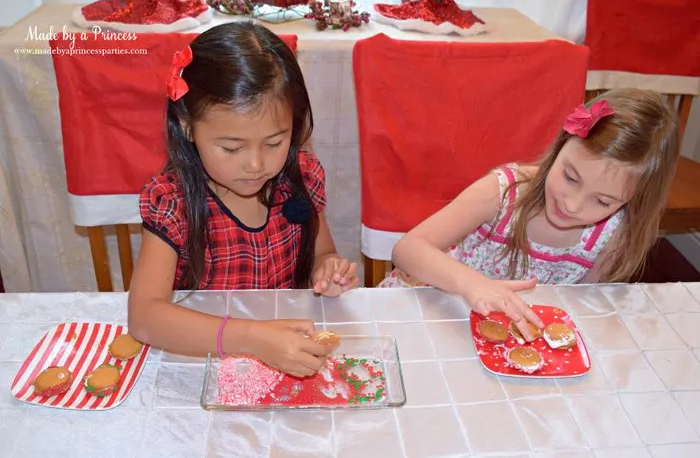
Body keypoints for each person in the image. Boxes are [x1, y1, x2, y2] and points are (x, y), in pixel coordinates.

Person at [128, 21, 358, 378]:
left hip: (288, 355)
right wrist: (252, 338)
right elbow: (144, 317)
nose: (255, 165)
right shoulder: (174, 202)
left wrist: (327, 270)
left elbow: (323, 252)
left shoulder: (300, 177)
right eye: (232, 147)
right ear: (188, 125)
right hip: (207, 363)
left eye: (274, 143)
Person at [384, 88, 680, 340]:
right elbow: (407, 250)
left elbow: (582, 309)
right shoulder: (503, 192)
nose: (573, 205)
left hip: (505, 338)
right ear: (561, 146)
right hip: (440, 308)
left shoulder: (613, 234)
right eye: (571, 177)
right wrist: (473, 284)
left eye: (602, 201)